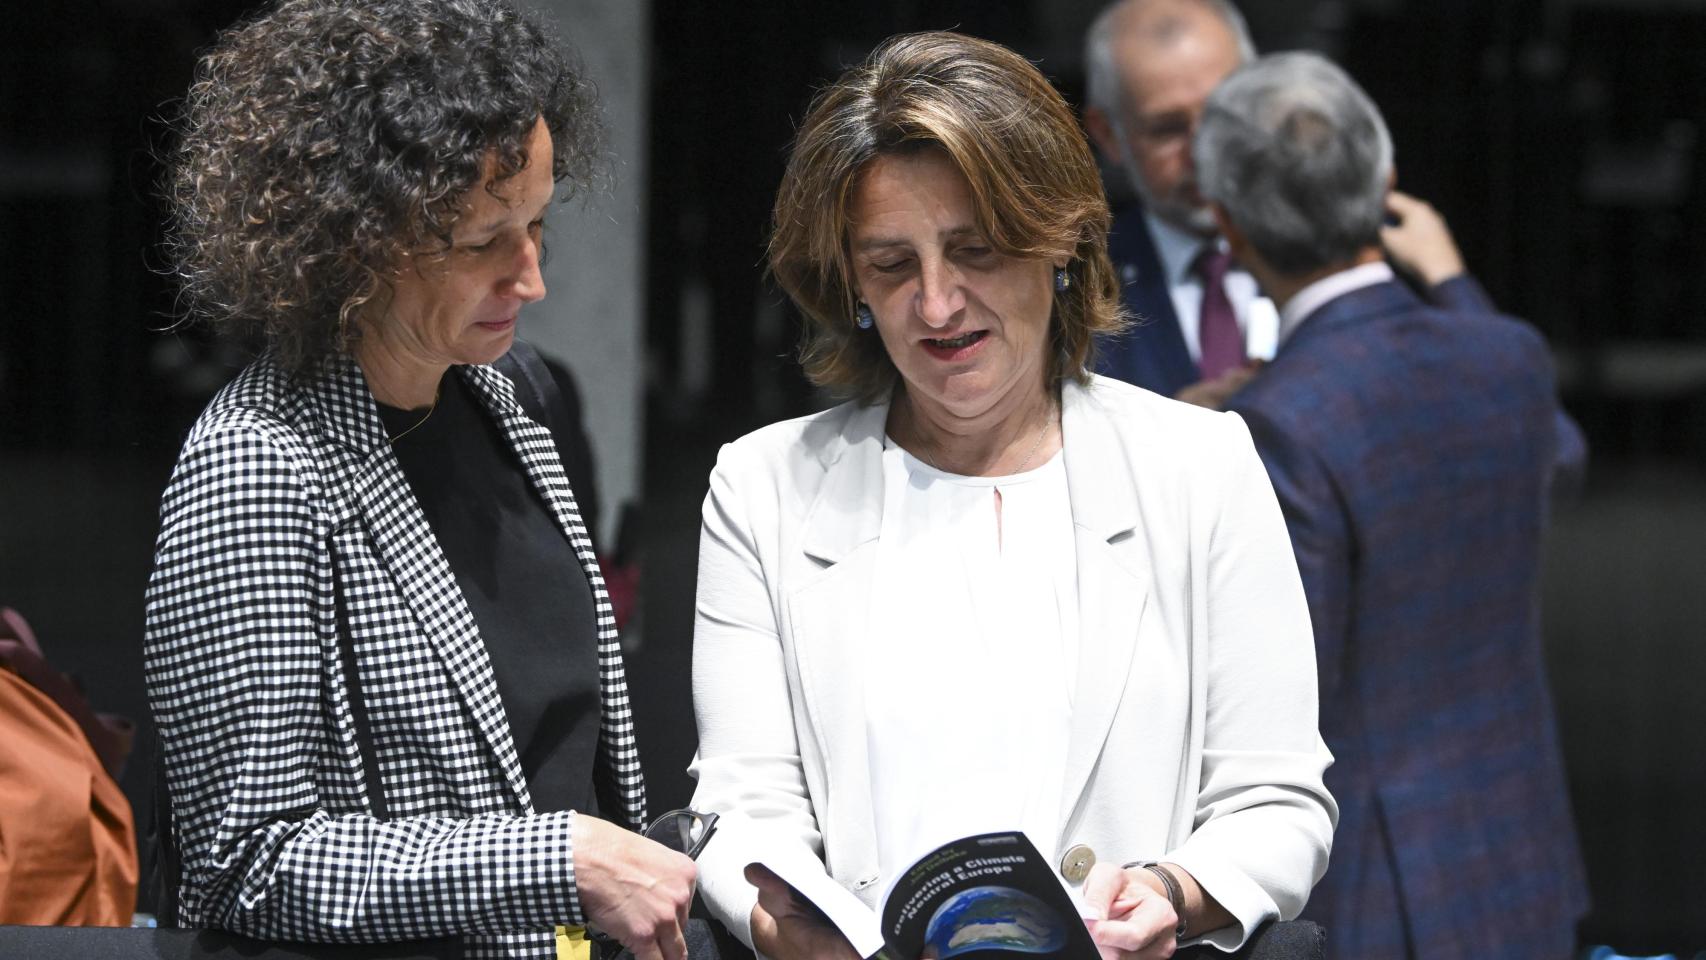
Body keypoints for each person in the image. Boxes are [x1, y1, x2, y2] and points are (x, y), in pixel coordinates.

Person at [687, 31, 1336, 960]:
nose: (937, 304)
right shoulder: (763, 489)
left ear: (1059, 240)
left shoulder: (1201, 466)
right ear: (851, 285)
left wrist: (1171, 892)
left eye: (975, 250)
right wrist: (782, 921)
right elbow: (741, 807)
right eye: (892, 265)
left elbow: (1275, 800)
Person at [142, 2, 696, 958]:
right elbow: (247, 861)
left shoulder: (509, 400)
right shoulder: (257, 464)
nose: (531, 278)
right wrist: (555, 861)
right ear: (354, 241)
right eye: (484, 242)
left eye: (537, 225)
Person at [1197, 52, 1591, 959]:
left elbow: (1285, 697)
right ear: (1385, 187)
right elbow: (1561, 456)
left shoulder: (1275, 422)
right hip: (1521, 850)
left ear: (1228, 227)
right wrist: (1452, 280)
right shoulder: (1507, 355)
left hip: (1380, 892)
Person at [1082, 0, 1270, 408]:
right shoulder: (1075, 291)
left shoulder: (1342, 250)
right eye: (1168, 130)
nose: (1205, 152)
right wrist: (1163, 435)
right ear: (1109, 135)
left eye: (1225, 116)